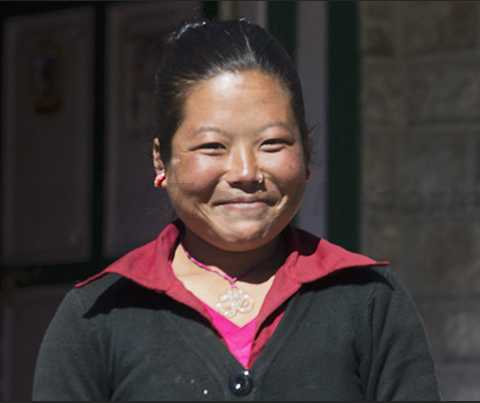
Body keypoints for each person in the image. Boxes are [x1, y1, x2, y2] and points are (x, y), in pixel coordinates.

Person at [33, 19, 440, 401]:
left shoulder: (368, 301)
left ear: (307, 152)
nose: (246, 172)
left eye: (273, 144)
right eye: (213, 146)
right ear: (162, 160)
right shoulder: (98, 316)